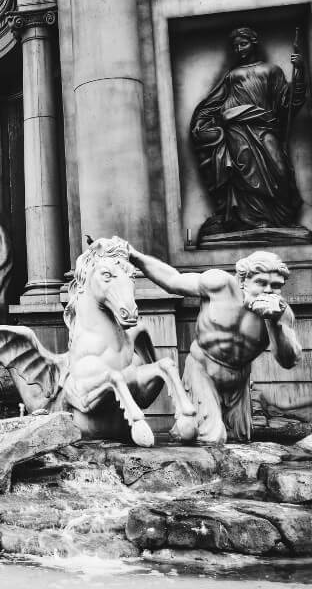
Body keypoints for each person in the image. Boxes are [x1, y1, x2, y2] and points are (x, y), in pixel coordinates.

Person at [129, 246, 301, 443]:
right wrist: (136, 257)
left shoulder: (282, 313)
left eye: (276, 285)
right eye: (261, 283)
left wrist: (274, 323)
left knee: (239, 439)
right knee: (211, 438)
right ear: (243, 281)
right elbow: (173, 280)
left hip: (239, 380)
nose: (268, 290)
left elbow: (288, 361)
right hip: (203, 370)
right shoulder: (219, 285)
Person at [190, 27, 306, 240]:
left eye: (243, 44)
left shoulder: (272, 70)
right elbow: (214, 103)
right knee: (245, 174)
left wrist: (300, 72)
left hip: (266, 128)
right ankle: (251, 221)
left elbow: (288, 104)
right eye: (235, 46)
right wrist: (201, 123)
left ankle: (279, 219)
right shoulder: (232, 76)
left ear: (254, 43)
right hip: (238, 130)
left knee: (280, 171)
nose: (239, 49)